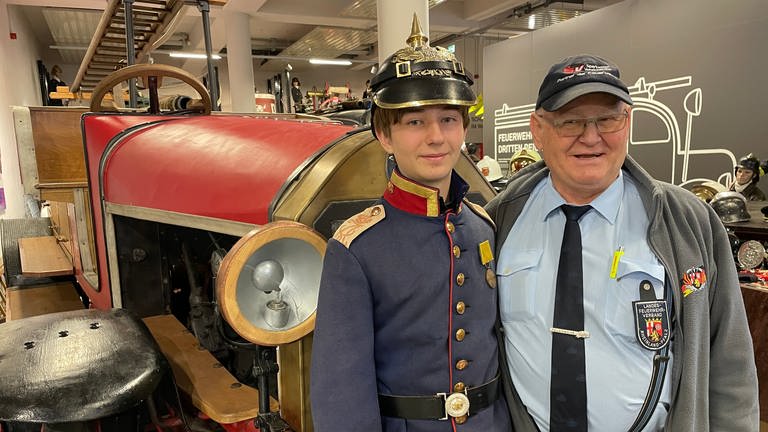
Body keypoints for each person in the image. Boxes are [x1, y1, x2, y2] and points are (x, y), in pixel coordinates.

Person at [485, 54, 758, 431]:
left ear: (627, 121)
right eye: (571, 121)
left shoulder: (686, 221)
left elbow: (729, 359)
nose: (591, 136)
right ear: (538, 128)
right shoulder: (497, 221)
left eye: (607, 119)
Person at [310, 14, 511, 431]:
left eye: (448, 119)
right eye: (415, 122)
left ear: (464, 128)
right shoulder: (356, 248)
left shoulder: (482, 227)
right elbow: (341, 390)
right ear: (385, 135)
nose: (435, 137)